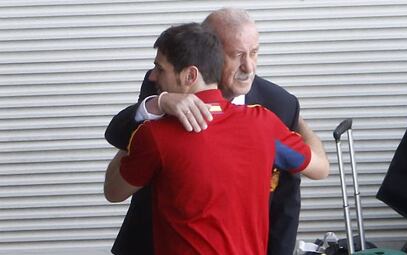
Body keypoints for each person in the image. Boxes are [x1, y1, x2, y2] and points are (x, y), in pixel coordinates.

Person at [105, 8, 328, 255]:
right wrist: (157, 105)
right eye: (238, 55)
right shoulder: (265, 123)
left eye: (254, 53)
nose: (249, 66)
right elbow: (320, 167)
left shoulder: (279, 106)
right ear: (214, 55)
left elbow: (287, 200)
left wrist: (299, 122)